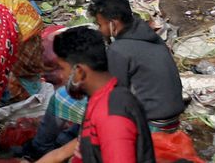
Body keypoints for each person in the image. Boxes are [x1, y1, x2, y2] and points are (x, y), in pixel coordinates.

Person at [90, 0, 186, 137]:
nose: (99, 29)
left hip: (152, 122)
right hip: (173, 117)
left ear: (113, 24)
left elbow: (114, 92)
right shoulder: (149, 35)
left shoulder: (119, 50)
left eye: (100, 24)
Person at [52, 27, 153, 163]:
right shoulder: (104, 96)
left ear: (80, 72)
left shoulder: (111, 118)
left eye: (61, 68)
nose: (60, 76)